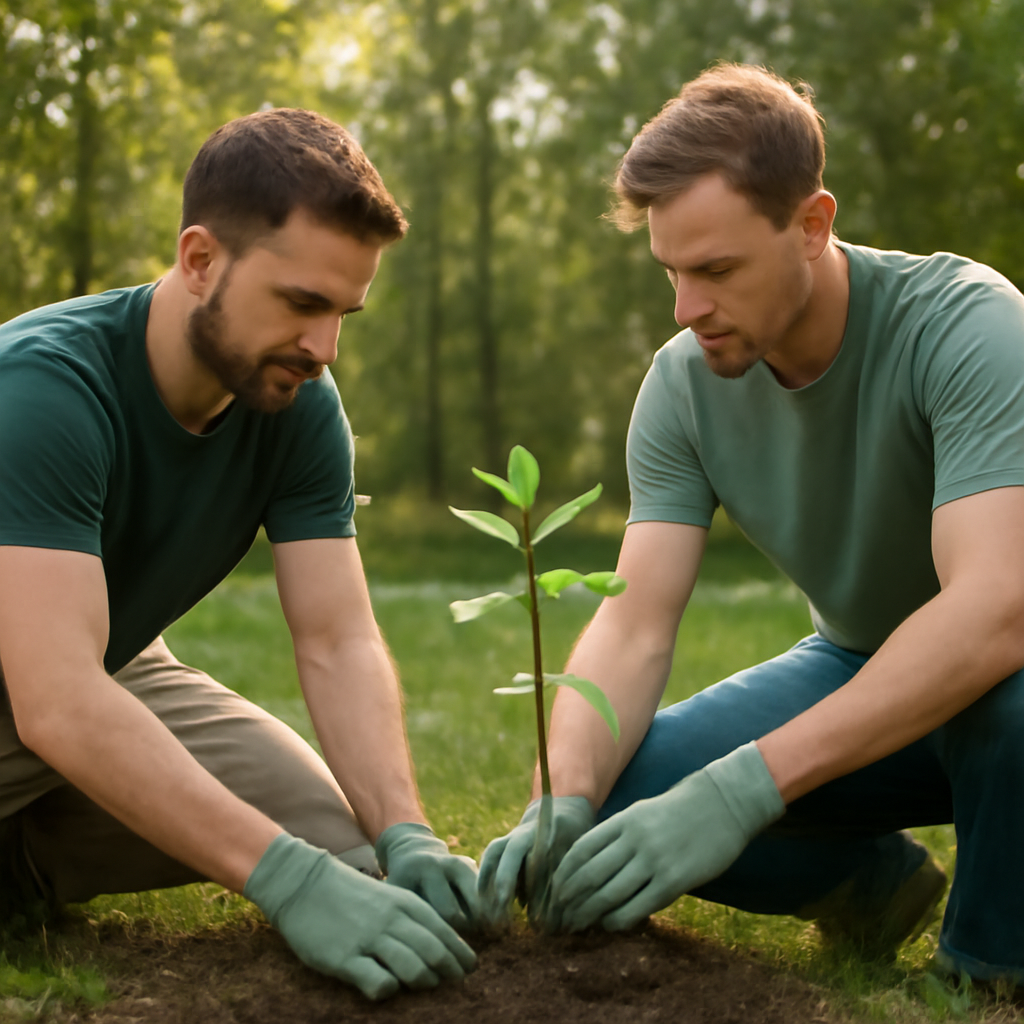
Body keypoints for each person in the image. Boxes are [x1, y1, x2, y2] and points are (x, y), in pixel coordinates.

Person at [478, 63, 1024, 988]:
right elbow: (635, 619)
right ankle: (866, 882)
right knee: (621, 799)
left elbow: (996, 611)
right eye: (672, 273)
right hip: (859, 665)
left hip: (1006, 678)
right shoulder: (682, 385)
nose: (688, 309)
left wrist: (745, 788)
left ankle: (988, 964)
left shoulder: (969, 328)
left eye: (717, 270)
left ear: (811, 226)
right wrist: (561, 795)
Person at [0, 108, 479, 1001]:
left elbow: (337, 639)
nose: (324, 347)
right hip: (45, 684)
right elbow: (56, 701)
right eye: (302, 303)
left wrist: (407, 832)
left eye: (343, 312)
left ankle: (21, 870)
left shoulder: (297, 407)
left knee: (344, 846)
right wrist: (282, 882)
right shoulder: (41, 389)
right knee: (292, 863)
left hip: (96, 670)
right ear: (199, 260)